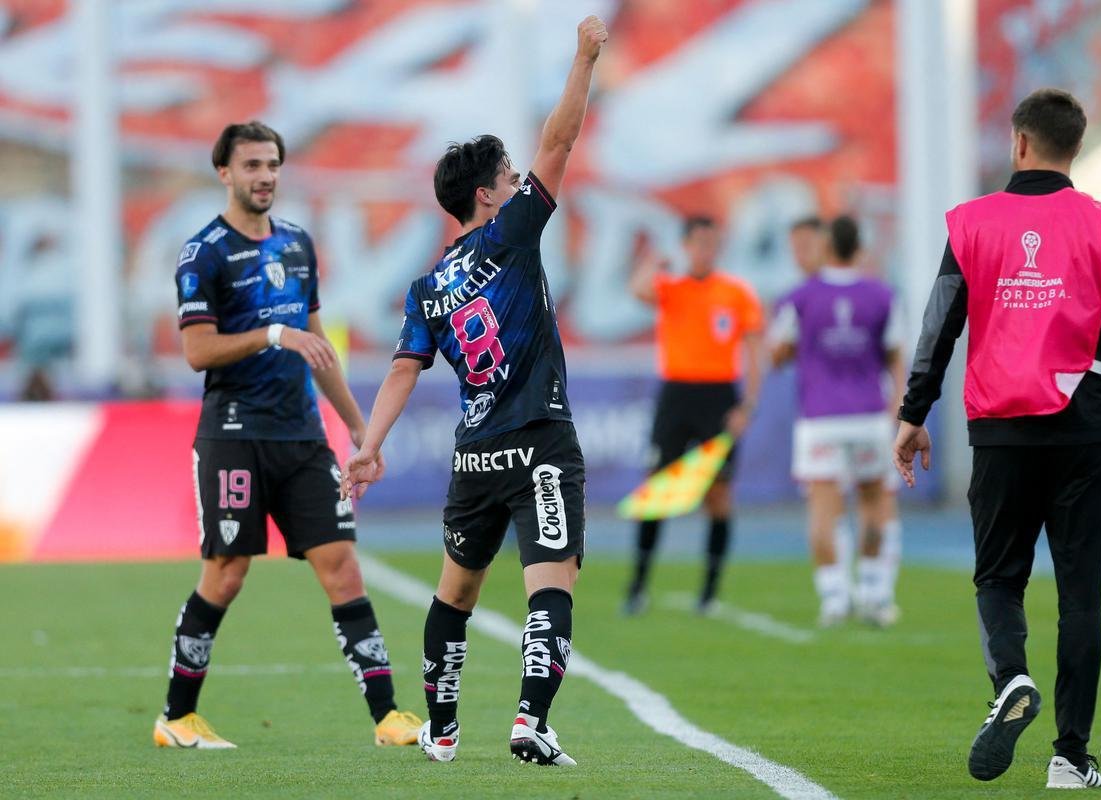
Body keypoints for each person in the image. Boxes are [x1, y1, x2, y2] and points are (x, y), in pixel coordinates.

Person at [340, 16, 607, 767]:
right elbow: (561, 143)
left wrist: (367, 446)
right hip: (541, 442)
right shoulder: (514, 233)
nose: (524, 180)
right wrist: (584, 56)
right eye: (511, 176)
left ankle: (444, 729)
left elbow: (401, 369)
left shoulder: (426, 289)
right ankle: (529, 720)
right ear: (488, 196)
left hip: (476, 459)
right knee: (551, 584)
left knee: (453, 594)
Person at [893, 89, 1101, 790]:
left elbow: (939, 328)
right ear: (1075, 148)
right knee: (1080, 596)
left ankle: (1011, 678)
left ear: (1019, 143)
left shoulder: (970, 224)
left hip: (999, 431)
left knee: (998, 578)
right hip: (1082, 431)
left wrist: (911, 413)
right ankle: (1070, 757)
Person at [157, 121, 422, 749]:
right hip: (233, 436)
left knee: (343, 569)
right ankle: (176, 715)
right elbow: (197, 350)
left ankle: (387, 716)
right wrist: (274, 334)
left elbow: (318, 348)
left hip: (303, 438)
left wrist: (361, 433)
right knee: (226, 573)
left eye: (272, 164)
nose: (265, 176)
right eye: (251, 166)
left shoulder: (299, 245)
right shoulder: (204, 253)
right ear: (224, 173)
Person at [624, 216, 765, 615]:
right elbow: (636, 290)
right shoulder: (671, 287)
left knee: (718, 495)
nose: (706, 250)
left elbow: (755, 352)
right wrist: (654, 260)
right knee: (657, 490)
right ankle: (637, 585)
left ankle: (708, 593)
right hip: (677, 396)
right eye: (699, 242)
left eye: (712, 243)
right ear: (686, 246)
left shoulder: (736, 293)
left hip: (719, 398)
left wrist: (748, 404)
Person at [770, 215, 906, 626]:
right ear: (859, 247)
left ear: (827, 246)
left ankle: (834, 597)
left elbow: (776, 354)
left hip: (821, 419)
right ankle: (872, 592)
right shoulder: (882, 295)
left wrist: (805, 347)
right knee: (874, 504)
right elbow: (896, 355)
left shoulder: (801, 297)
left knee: (823, 509)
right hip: (869, 415)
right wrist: (898, 408)